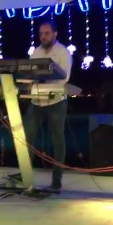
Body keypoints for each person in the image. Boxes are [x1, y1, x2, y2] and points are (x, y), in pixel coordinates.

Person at [22, 20, 72, 191]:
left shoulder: (63, 52)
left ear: (55, 34)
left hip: (56, 101)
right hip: (36, 101)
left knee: (57, 140)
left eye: (46, 33)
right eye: (41, 34)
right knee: (27, 137)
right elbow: (29, 73)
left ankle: (56, 180)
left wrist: (45, 77)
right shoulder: (36, 52)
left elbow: (64, 77)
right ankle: (26, 177)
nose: (43, 36)